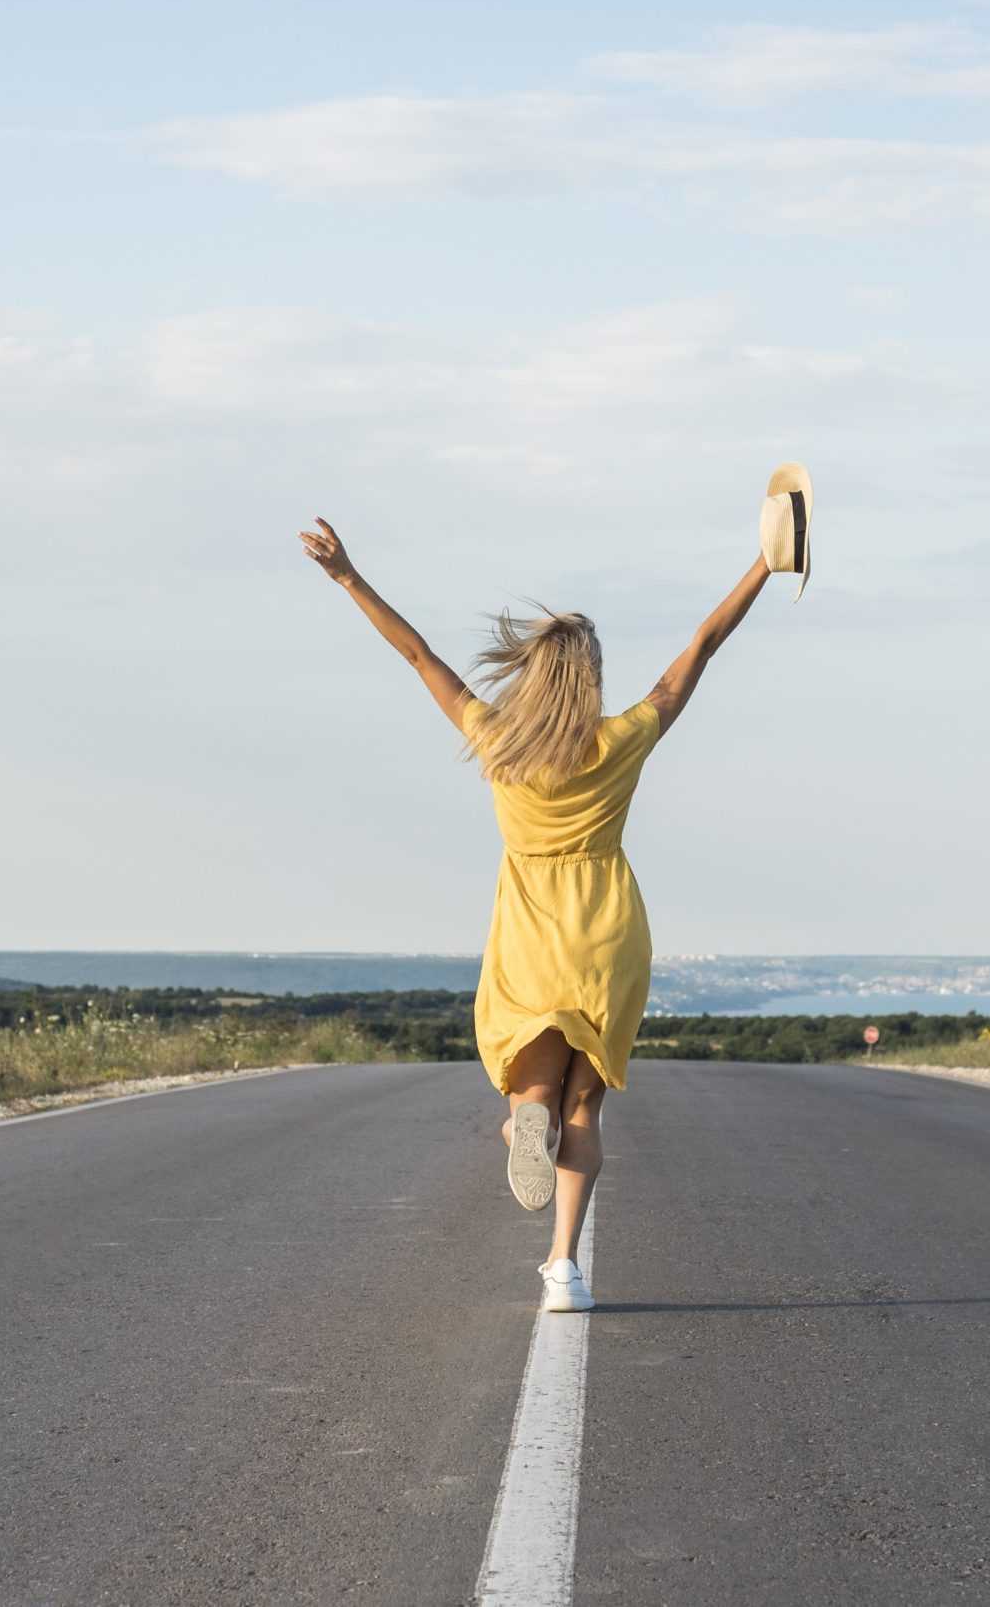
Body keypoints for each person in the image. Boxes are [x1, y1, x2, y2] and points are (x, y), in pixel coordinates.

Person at [298, 515, 775, 1312]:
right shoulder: (620, 739)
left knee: (536, 1089)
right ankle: (565, 1268)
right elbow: (702, 645)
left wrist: (349, 576)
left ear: (531, 677)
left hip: (527, 936)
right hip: (605, 933)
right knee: (585, 1104)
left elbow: (418, 654)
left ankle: (526, 1117)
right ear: (587, 680)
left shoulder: (496, 741)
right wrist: (763, 562)